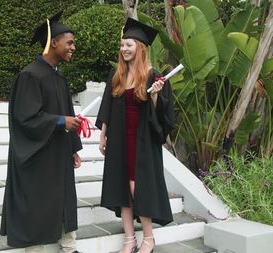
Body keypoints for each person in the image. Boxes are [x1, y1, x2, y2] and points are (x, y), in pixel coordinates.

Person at [0, 11, 82, 253]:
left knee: (65, 197)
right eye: (69, 43)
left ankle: (69, 246)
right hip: (36, 155)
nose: (73, 48)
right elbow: (24, 117)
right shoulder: (29, 75)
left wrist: (74, 148)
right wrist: (59, 121)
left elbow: (69, 116)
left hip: (58, 152)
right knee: (36, 203)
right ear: (53, 42)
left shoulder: (59, 79)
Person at [96, 18, 175, 253]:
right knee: (121, 187)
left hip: (142, 140)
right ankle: (129, 239)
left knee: (136, 188)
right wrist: (103, 135)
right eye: (122, 45)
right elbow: (107, 106)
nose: (124, 49)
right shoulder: (116, 74)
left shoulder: (154, 77)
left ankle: (148, 238)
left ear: (140, 47)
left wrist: (154, 97)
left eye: (128, 45)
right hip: (120, 137)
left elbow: (163, 116)